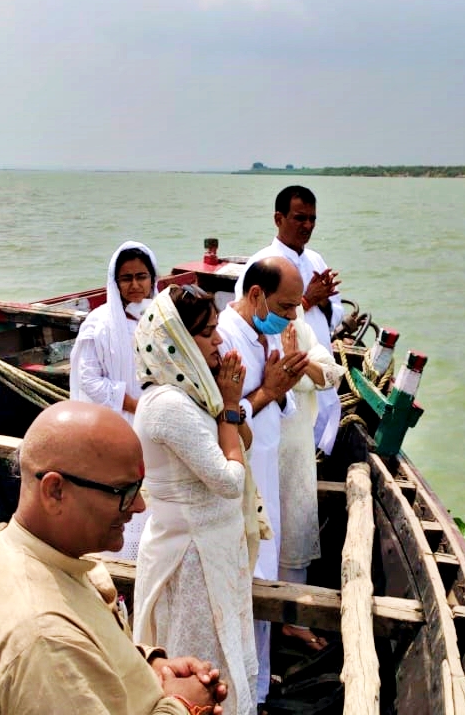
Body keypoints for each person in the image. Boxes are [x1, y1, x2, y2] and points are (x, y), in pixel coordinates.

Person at [0, 400, 228, 715]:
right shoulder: (44, 642)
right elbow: (63, 658)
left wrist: (149, 666)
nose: (139, 506)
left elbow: (86, 646)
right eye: (122, 492)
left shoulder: (8, 551)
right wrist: (183, 706)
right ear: (55, 491)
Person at [131, 284, 261, 715]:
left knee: (226, 657)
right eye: (207, 334)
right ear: (179, 342)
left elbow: (242, 439)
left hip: (215, 552)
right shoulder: (168, 405)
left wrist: (228, 407)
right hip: (191, 560)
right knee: (199, 672)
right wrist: (227, 404)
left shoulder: (193, 393)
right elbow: (229, 479)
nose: (219, 341)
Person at [216, 257, 309, 703]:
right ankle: (242, 692)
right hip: (242, 476)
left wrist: (281, 383)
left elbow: (278, 404)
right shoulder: (226, 341)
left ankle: (257, 686)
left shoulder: (262, 332)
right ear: (255, 296)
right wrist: (269, 391)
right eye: (286, 306)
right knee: (248, 578)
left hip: (264, 472)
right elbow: (228, 419)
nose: (291, 317)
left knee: (265, 572)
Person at [70, 240, 161, 560]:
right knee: (122, 492)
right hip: (119, 421)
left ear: (152, 278)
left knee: (156, 497)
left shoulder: (163, 318)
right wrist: (134, 405)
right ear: (115, 281)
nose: (135, 285)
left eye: (141, 276)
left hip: (158, 421)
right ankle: (120, 561)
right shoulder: (99, 322)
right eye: (127, 278)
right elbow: (89, 379)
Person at [236, 185, 344, 454]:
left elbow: (336, 314)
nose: (307, 225)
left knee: (314, 440)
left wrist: (323, 301)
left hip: (316, 360)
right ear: (278, 219)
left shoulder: (316, 259)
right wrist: (306, 300)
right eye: (299, 218)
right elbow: (253, 318)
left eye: (312, 219)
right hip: (282, 371)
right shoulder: (261, 264)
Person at [275, 320, 345, 652]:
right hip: (260, 451)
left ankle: (294, 620)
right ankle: (264, 620)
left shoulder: (300, 330)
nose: (289, 312)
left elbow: (330, 375)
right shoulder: (240, 334)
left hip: (296, 450)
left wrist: (298, 362)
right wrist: (298, 369)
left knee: (294, 529)